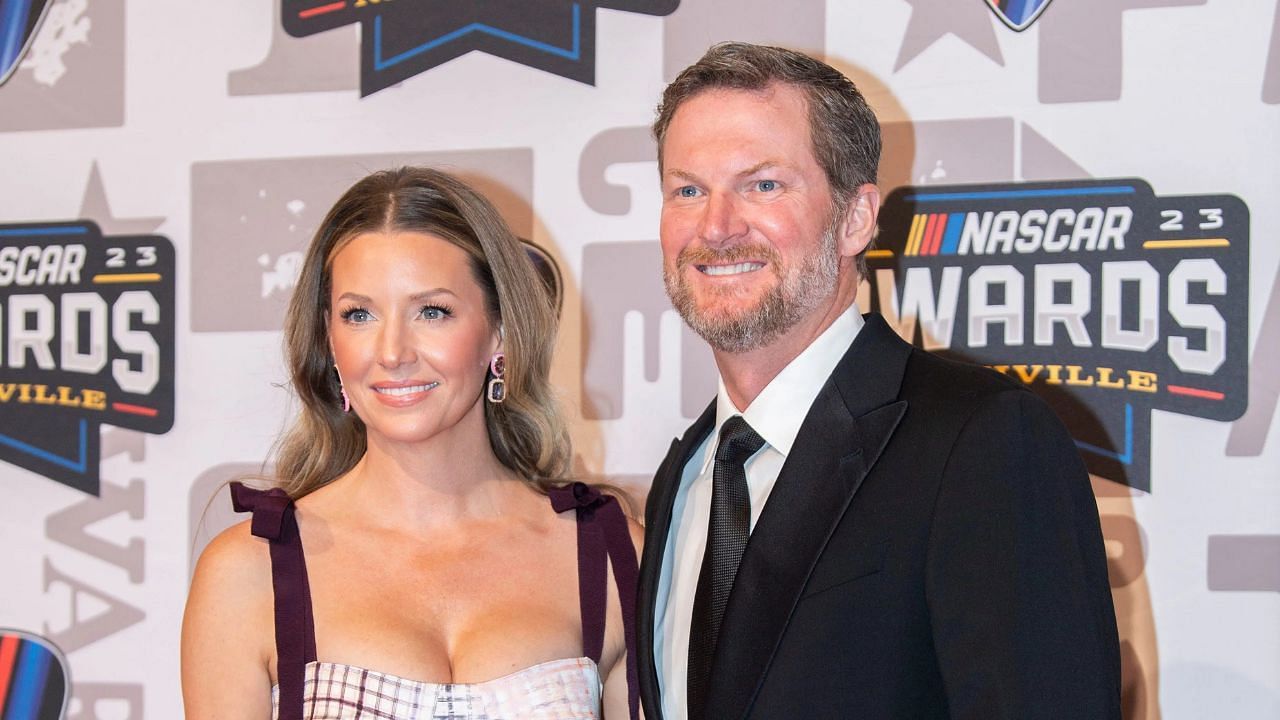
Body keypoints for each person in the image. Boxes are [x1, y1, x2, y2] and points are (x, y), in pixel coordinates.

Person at [636, 42, 1121, 719]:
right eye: (688, 190)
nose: (716, 227)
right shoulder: (684, 476)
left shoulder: (980, 443)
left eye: (762, 185)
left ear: (856, 219)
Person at [182, 167, 642, 720]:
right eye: (359, 314)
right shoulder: (248, 572)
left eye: (432, 311)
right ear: (329, 341)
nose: (393, 351)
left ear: (498, 331)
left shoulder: (610, 554)